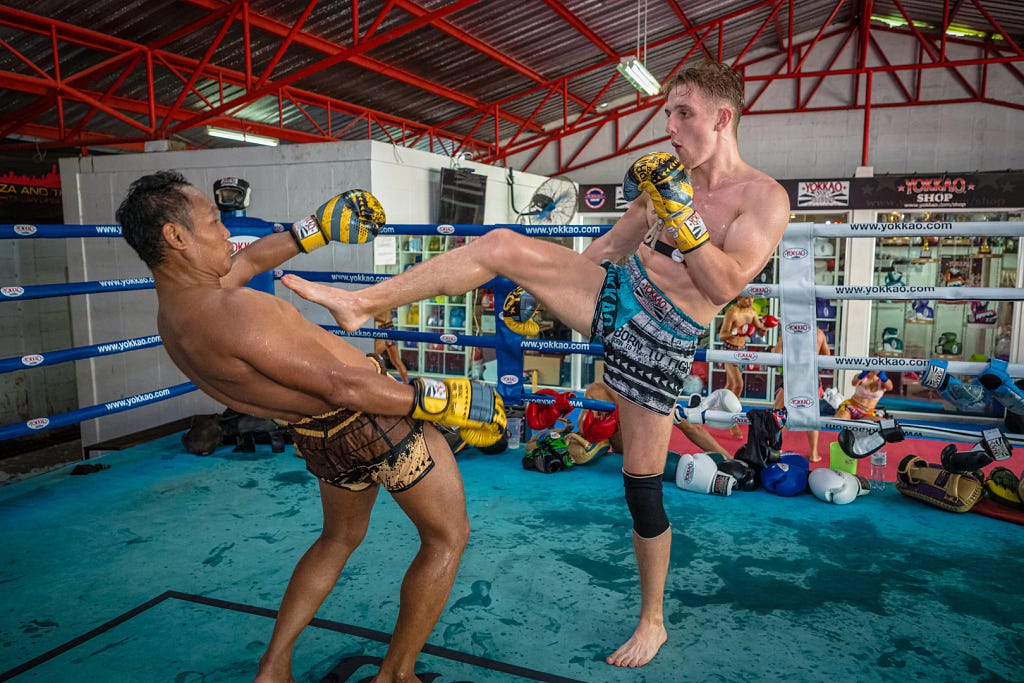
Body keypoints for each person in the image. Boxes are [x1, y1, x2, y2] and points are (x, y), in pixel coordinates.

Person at [281, 60, 790, 668]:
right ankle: (361, 303)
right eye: (669, 111)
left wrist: (681, 219)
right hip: (616, 300)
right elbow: (610, 249)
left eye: (684, 113)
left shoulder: (763, 197)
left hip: (665, 339)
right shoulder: (669, 177)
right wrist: (540, 285)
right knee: (501, 247)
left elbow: (723, 287)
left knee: (642, 487)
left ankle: (652, 620)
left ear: (723, 118)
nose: (670, 126)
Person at [116, 171, 506, 683]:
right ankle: (397, 675)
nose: (227, 234)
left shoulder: (178, 313)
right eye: (214, 222)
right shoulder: (234, 311)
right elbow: (342, 386)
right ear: (176, 236)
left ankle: (274, 666)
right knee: (447, 538)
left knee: (338, 539)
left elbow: (248, 261)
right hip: (376, 420)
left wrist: (313, 229)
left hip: (322, 439)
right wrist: (440, 399)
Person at [586, 380, 733, 459]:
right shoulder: (598, 391)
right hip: (621, 461)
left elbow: (691, 428)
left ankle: (727, 458)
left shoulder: (655, 393)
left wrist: (728, 459)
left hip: (648, 462)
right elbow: (584, 434)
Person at [772, 326, 832, 462]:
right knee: (811, 416)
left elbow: (776, 354)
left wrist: (779, 343)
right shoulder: (819, 332)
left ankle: (776, 448)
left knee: (779, 412)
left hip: (793, 376)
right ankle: (814, 453)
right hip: (811, 377)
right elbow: (827, 358)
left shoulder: (789, 331)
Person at [718, 296, 766, 407]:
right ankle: (733, 410)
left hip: (742, 350)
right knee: (738, 384)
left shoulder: (752, 311)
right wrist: (736, 332)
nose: (750, 301)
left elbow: (760, 332)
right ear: (739, 297)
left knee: (731, 384)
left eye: (752, 298)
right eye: (746, 298)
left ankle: (720, 407)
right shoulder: (732, 312)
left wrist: (765, 327)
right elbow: (722, 335)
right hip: (729, 350)